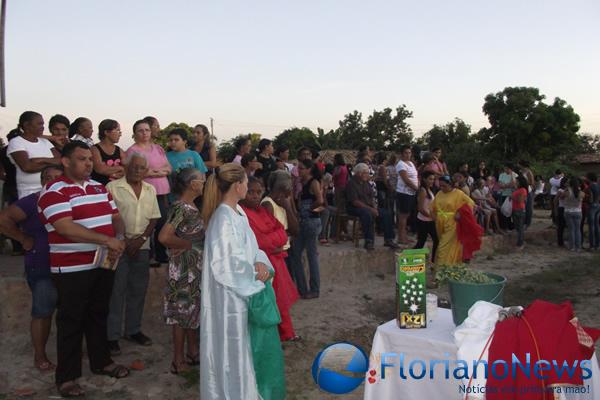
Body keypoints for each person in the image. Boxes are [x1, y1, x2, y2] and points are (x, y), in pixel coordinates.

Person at [37, 141, 129, 397]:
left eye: (90, 158)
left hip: (103, 263)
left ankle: (102, 362)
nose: (89, 163)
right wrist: (107, 240)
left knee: (99, 313)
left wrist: (119, 236)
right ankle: (66, 377)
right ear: (66, 162)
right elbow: (65, 227)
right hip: (71, 269)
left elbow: (115, 216)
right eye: (82, 158)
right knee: (71, 321)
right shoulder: (54, 192)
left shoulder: (99, 187)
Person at [200, 163, 285, 400]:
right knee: (232, 352)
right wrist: (256, 275)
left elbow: (253, 247)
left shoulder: (239, 212)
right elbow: (226, 264)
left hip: (243, 292)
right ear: (238, 186)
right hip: (230, 299)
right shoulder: (223, 218)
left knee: (246, 351)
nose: (249, 186)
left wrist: (260, 262)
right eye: (246, 182)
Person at [0, 165, 63, 372]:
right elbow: (3, 219)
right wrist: (22, 238)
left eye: (57, 177)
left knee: (70, 311)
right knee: (43, 312)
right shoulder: (33, 201)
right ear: (42, 181)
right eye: (48, 178)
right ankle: (40, 356)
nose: (52, 181)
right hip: (42, 265)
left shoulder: (69, 199)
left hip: (70, 265)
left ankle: (70, 351)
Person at [105, 153, 161, 356]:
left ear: (146, 171)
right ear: (126, 167)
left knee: (138, 290)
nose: (138, 171)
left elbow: (154, 218)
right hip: (118, 245)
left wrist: (141, 240)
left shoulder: (150, 189)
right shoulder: (112, 188)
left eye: (142, 168)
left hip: (142, 246)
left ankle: (133, 330)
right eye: (134, 167)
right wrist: (124, 239)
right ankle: (111, 336)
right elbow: (108, 217)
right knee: (116, 291)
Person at [241, 177, 300, 342]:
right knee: (266, 302)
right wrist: (273, 241)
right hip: (260, 264)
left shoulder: (262, 210)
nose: (255, 196)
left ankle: (286, 333)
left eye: (258, 192)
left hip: (276, 260)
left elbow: (282, 231)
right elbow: (259, 242)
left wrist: (272, 241)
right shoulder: (240, 213)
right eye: (250, 192)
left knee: (280, 300)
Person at [158, 168, 206, 374]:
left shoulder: (191, 206)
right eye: (201, 179)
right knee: (181, 313)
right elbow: (164, 236)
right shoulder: (181, 208)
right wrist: (188, 244)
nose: (204, 182)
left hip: (193, 268)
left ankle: (192, 351)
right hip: (184, 269)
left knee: (191, 310)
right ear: (192, 184)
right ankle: (178, 360)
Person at [126, 119, 171, 266]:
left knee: (162, 222)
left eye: (147, 130)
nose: (144, 133)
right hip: (145, 192)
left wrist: (155, 171)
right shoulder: (133, 151)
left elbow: (168, 167)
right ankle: (148, 255)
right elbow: (133, 172)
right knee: (147, 224)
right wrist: (155, 173)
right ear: (135, 133)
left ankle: (160, 253)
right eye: (140, 130)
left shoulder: (158, 148)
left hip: (162, 191)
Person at [289, 159, 323, 298]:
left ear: (309, 169)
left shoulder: (313, 182)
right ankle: (303, 289)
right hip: (306, 221)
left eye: (302, 168)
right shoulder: (302, 183)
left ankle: (313, 289)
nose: (300, 171)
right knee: (296, 254)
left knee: (310, 256)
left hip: (310, 221)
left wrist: (308, 209)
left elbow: (320, 200)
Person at [8, 112, 61, 199]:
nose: (43, 126)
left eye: (43, 124)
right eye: (39, 124)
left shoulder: (45, 142)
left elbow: (61, 160)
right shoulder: (17, 142)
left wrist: (40, 160)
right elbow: (27, 167)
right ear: (27, 125)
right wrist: (52, 162)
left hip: (52, 190)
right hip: (30, 194)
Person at [346, 163, 398, 251]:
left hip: (367, 206)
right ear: (359, 173)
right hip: (354, 208)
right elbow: (355, 202)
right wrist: (370, 209)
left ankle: (389, 239)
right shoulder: (351, 183)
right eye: (365, 173)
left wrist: (374, 207)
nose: (367, 175)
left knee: (387, 213)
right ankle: (368, 241)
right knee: (367, 214)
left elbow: (372, 197)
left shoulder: (366, 183)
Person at [431, 175, 476, 266]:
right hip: (440, 223)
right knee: (447, 245)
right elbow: (433, 206)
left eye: (444, 186)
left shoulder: (458, 193)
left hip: (452, 223)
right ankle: (451, 265)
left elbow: (470, 203)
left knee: (443, 246)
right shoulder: (439, 193)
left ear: (450, 184)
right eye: (440, 186)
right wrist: (434, 217)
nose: (442, 188)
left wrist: (460, 212)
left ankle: (441, 268)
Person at [91, 119, 125, 186]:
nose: (120, 134)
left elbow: (129, 167)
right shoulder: (95, 149)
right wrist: (120, 168)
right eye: (117, 130)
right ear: (106, 132)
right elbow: (100, 169)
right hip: (101, 188)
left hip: (117, 188)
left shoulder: (119, 150)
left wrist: (110, 170)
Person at [395, 145, 419, 244]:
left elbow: (415, 177)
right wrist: (417, 189)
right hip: (404, 193)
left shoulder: (411, 163)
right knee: (403, 216)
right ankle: (401, 238)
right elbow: (406, 180)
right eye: (406, 153)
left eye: (409, 153)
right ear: (402, 154)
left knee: (407, 215)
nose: (408, 155)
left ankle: (404, 236)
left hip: (411, 193)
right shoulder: (401, 164)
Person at [414, 171, 438, 264]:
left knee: (434, 240)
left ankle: (434, 261)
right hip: (424, 220)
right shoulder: (423, 190)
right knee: (421, 242)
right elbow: (420, 208)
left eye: (433, 179)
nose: (432, 181)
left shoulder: (429, 190)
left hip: (429, 220)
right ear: (424, 179)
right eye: (430, 179)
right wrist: (431, 216)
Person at [561, 177, 585, 252]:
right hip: (578, 211)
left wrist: (566, 189)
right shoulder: (581, 192)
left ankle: (572, 246)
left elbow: (561, 197)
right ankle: (578, 247)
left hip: (568, 211)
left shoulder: (567, 192)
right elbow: (583, 198)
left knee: (571, 230)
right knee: (578, 230)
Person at [512, 176, 528, 250]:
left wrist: (512, 197)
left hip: (520, 209)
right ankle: (521, 241)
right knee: (517, 227)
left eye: (517, 181)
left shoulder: (523, 190)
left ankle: (520, 244)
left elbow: (520, 200)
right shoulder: (518, 189)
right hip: (515, 209)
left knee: (520, 228)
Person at [518, 160, 535, 227]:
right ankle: (522, 221)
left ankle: (527, 223)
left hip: (528, 190)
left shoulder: (528, 172)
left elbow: (532, 183)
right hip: (521, 190)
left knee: (528, 207)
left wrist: (525, 183)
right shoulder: (520, 171)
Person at [586, 172, 600, 250]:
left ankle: (592, 245)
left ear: (589, 178)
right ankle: (597, 245)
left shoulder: (590, 187)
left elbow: (590, 198)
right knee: (597, 225)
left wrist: (589, 202)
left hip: (592, 206)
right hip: (598, 205)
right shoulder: (598, 186)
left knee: (591, 226)